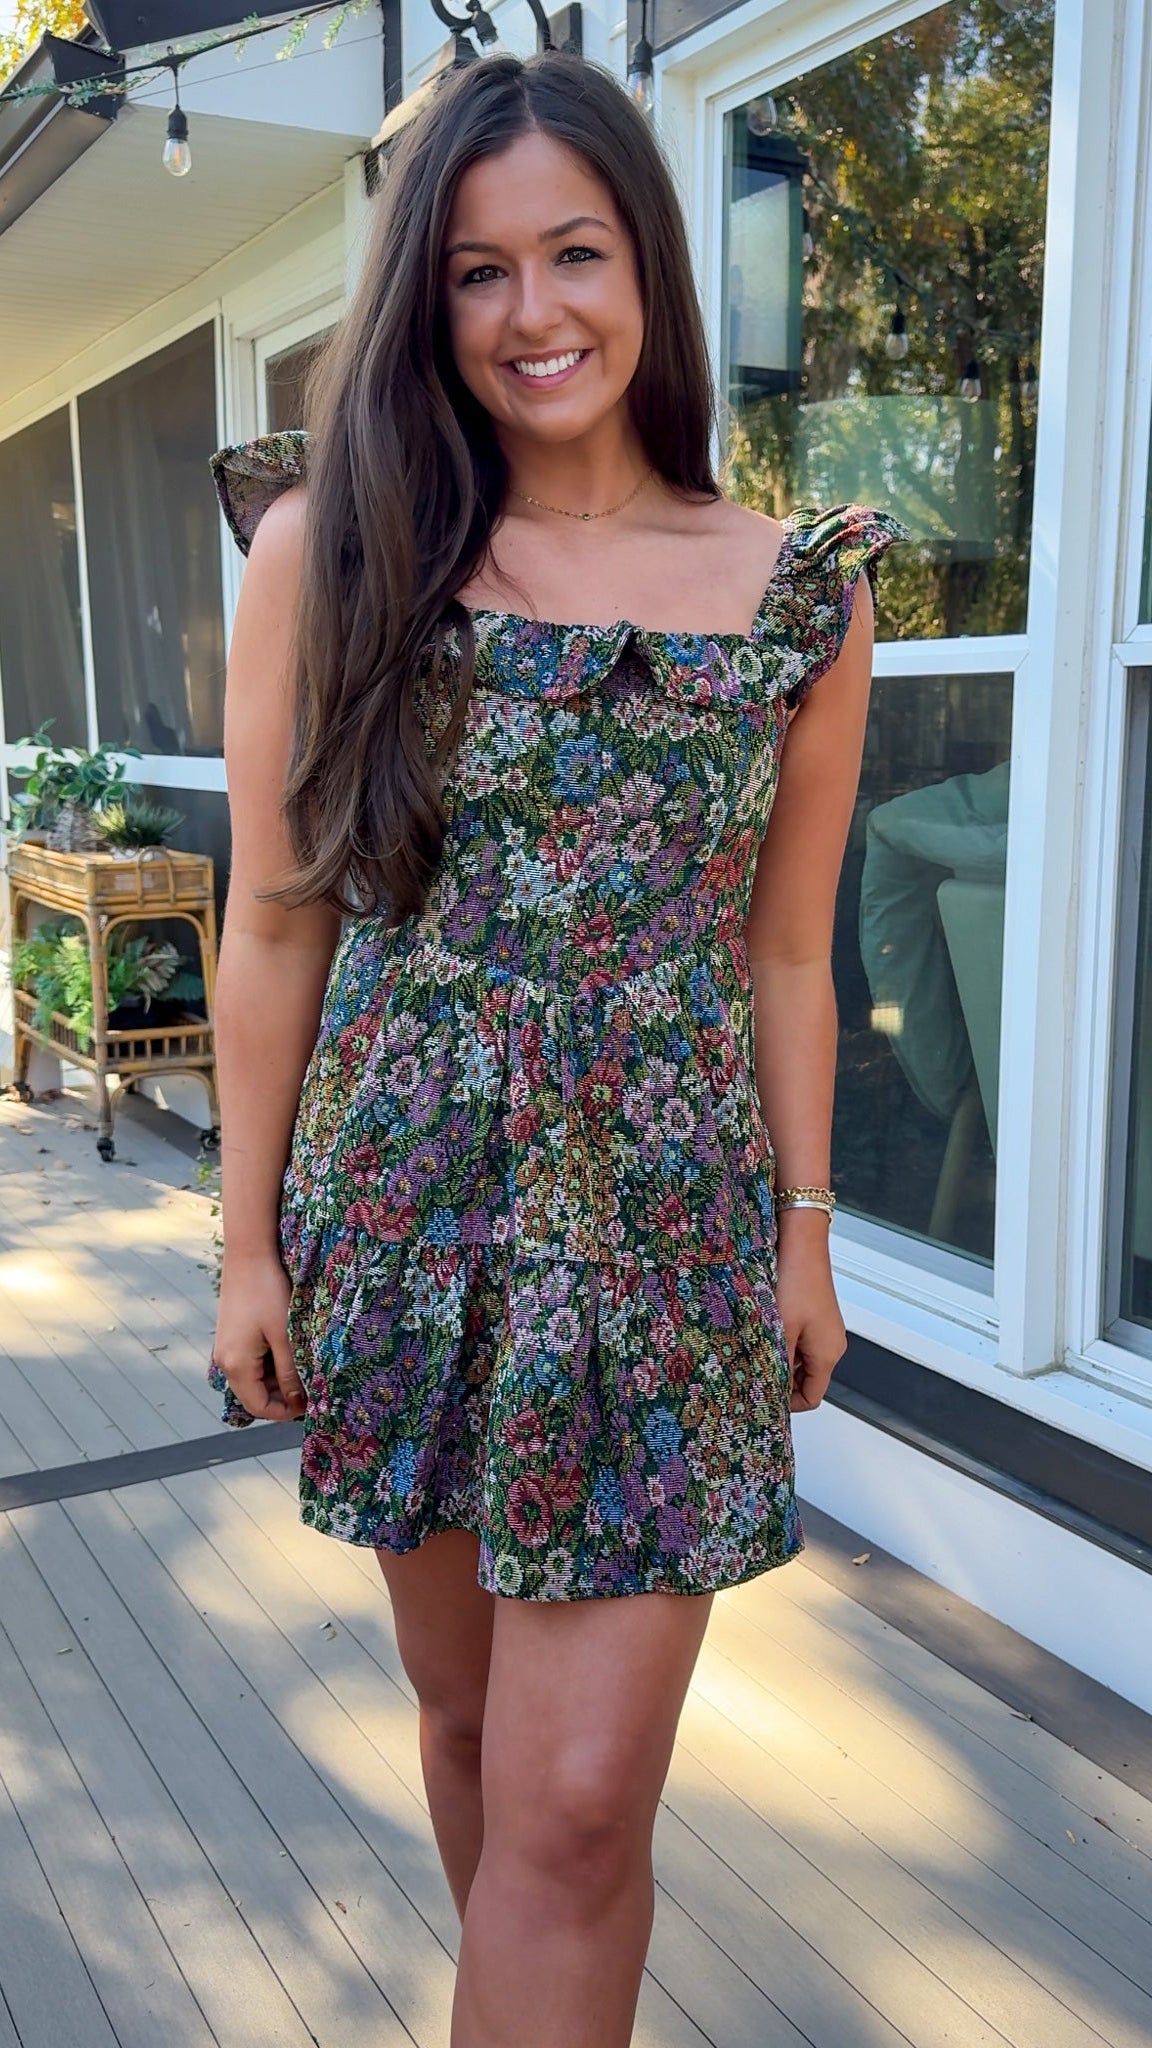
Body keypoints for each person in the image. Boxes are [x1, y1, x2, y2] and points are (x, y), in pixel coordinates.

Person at [207, 45, 905, 2048]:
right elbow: (274, 923)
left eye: (576, 255)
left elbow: (785, 957)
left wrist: (805, 1224)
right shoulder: (329, 554)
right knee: (472, 1734)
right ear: (427, 298)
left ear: (650, 270)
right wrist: (249, 1244)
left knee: (581, 1804)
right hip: (410, 1207)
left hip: (673, 1226)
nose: (536, 316)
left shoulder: (797, 594)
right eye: (479, 272)